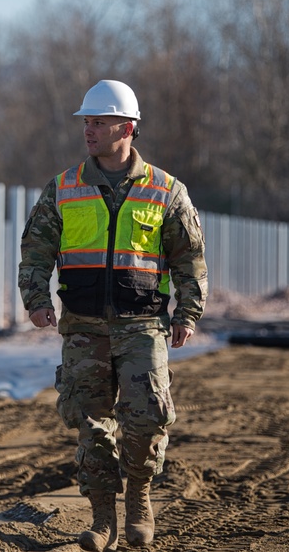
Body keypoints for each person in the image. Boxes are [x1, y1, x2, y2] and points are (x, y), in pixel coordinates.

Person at [18, 79, 208, 551]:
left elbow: (189, 258)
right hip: (82, 325)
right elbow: (35, 250)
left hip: (143, 325)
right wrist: (35, 298)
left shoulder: (166, 190)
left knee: (146, 418)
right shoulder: (63, 187)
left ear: (127, 127)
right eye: (86, 122)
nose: (89, 130)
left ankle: (139, 497)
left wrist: (188, 311)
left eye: (99, 122)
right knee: (91, 423)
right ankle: (103, 518)